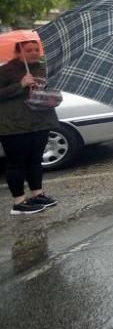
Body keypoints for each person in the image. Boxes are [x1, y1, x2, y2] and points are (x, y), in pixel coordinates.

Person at [0, 40, 58, 215]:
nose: (34, 53)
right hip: (14, 125)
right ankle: (19, 202)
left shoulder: (42, 68)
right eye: (28, 50)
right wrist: (20, 85)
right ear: (18, 53)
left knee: (35, 160)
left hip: (40, 122)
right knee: (17, 164)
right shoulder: (5, 71)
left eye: (36, 50)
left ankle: (37, 194)